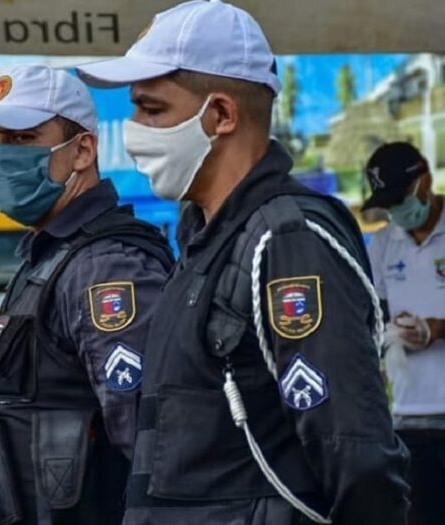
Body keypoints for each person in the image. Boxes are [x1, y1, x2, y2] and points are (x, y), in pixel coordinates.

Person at [76, 1, 410, 524]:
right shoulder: (204, 242)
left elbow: (356, 453)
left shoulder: (287, 240)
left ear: (222, 115)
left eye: (152, 109)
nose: (133, 128)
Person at [0, 64, 173, 525]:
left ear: (82, 150)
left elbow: (154, 448)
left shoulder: (106, 268)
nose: (0, 157)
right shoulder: (48, 256)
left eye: (22, 139)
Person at [364, 142, 445, 525]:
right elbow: (372, 317)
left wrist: (438, 328)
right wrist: (391, 334)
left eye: (401, 199)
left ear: (425, 181)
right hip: (409, 418)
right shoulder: (382, 245)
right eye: (389, 203)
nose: (398, 211)